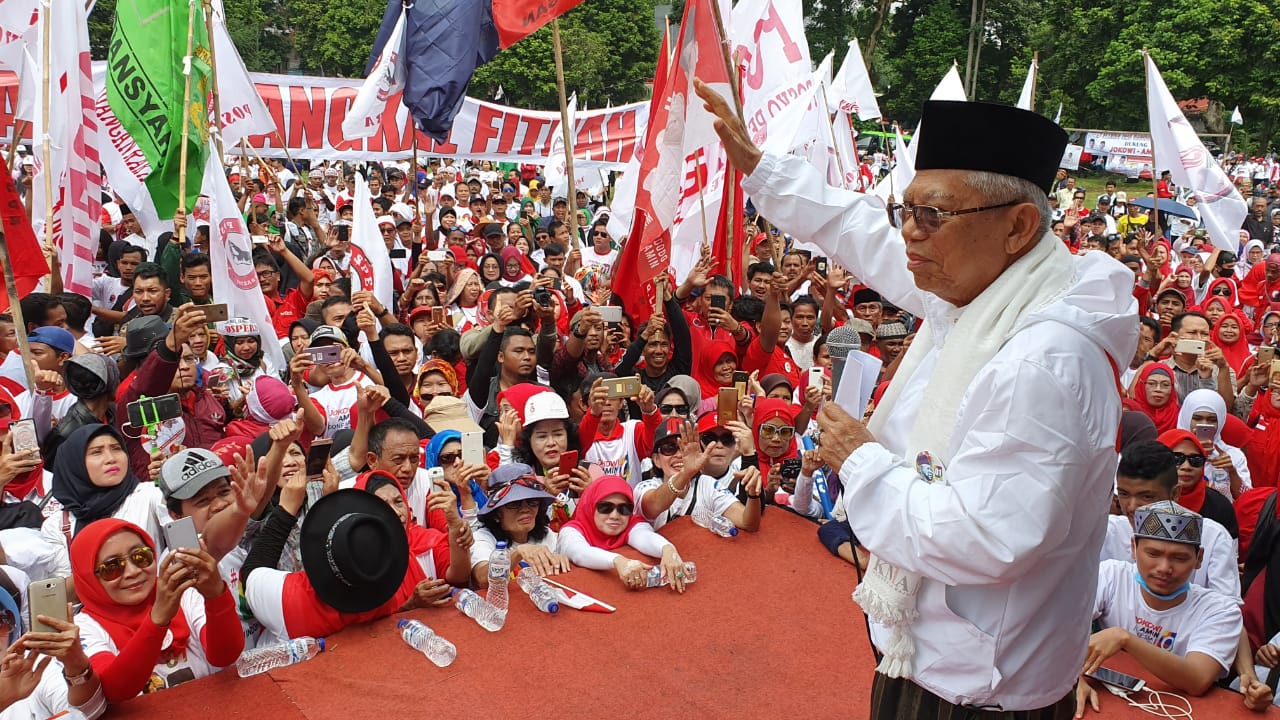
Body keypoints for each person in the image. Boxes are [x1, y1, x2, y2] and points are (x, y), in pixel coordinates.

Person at [698, 82, 1136, 715]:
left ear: (1018, 227)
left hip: (981, 684)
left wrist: (862, 460)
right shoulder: (987, 288)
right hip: (930, 652)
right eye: (904, 210)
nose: (907, 235)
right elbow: (858, 231)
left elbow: (986, 537)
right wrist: (762, 168)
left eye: (932, 215)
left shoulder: (1043, 359)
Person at [1078, 502, 1246, 712]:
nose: (1164, 568)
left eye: (1179, 558)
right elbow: (1060, 628)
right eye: (1153, 554)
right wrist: (1073, 680)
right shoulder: (1112, 576)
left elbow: (1197, 678)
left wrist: (1125, 639)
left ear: (1199, 558)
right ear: (1133, 548)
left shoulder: (1220, 610)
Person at [70, 518, 243, 700]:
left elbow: (225, 655)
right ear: (88, 577)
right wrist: (157, 620)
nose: (132, 572)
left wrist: (216, 596)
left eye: (140, 557)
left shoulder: (183, 592)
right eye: (112, 568)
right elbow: (114, 690)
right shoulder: (84, 627)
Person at [1103, 441, 1240, 601]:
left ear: (1175, 494)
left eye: (1146, 496)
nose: (1132, 506)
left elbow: (1226, 610)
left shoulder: (1213, 537)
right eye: (1124, 494)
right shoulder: (1107, 531)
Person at [558, 476, 690, 593]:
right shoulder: (570, 531)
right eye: (605, 508)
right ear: (590, 506)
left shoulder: (630, 524)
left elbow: (644, 535)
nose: (615, 516)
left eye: (624, 509)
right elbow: (579, 552)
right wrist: (618, 561)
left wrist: (667, 549)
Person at [470, 465, 570, 586]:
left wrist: (561, 560)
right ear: (496, 514)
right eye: (514, 503)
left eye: (532, 501)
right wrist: (518, 553)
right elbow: (482, 578)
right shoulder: (482, 537)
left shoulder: (547, 535)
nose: (525, 509)